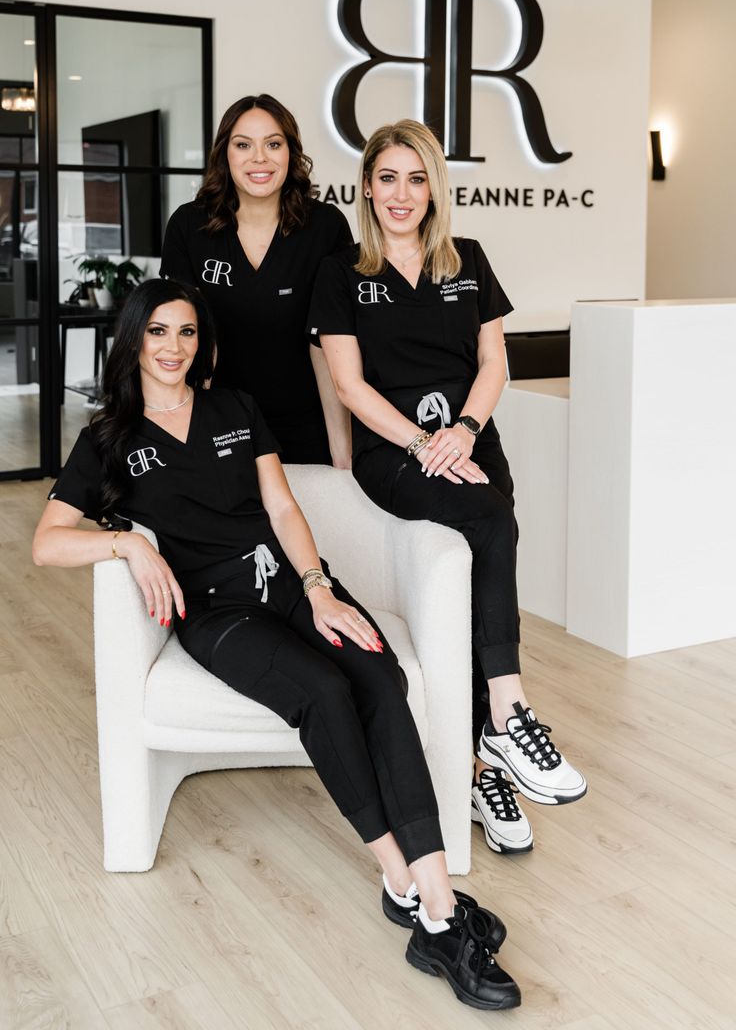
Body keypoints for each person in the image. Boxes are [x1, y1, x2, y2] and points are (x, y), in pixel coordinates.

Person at [32, 278, 521, 1011]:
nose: (174, 347)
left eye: (188, 333)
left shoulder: (235, 408)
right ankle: (410, 887)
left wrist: (319, 585)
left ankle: (435, 890)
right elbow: (46, 544)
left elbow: (282, 506)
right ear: (134, 338)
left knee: (382, 679)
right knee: (322, 694)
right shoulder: (108, 438)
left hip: (292, 585)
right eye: (159, 332)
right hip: (217, 615)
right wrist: (126, 545)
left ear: (203, 343)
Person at [309, 120, 587, 858]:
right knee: (492, 527)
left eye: (417, 178)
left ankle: (477, 767)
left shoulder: (470, 260)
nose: (402, 194)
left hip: (471, 444)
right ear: (368, 185)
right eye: (389, 178)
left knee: (476, 581)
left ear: (435, 187)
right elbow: (348, 384)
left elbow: (494, 363)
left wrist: (462, 429)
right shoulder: (343, 272)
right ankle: (508, 715)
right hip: (394, 452)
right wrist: (424, 443)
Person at [160, 93, 352, 466]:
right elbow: (188, 338)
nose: (259, 158)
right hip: (220, 421)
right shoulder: (189, 226)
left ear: (290, 153)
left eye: (273, 144)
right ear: (225, 154)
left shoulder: (326, 227)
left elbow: (329, 347)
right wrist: (189, 434)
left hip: (305, 424)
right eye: (243, 144)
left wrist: (342, 453)